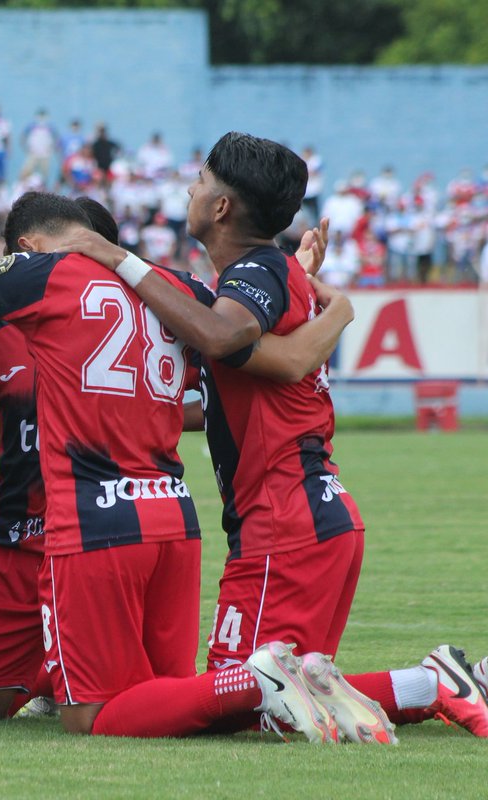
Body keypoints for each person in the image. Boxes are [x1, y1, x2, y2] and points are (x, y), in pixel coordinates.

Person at [0, 191, 383, 742]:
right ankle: (397, 686)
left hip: (91, 524)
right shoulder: (176, 292)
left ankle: (251, 680)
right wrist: (310, 288)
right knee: (160, 705)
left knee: (95, 718)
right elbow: (241, 366)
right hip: (166, 519)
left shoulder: (40, 275)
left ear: (29, 246)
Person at [73, 131, 488, 739]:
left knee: (240, 703)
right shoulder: (274, 275)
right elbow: (234, 391)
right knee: (284, 694)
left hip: (284, 521)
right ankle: (440, 681)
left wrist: (120, 260)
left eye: (201, 181)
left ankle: (433, 682)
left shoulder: (256, 277)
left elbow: (223, 338)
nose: (189, 189)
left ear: (220, 208)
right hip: (312, 518)